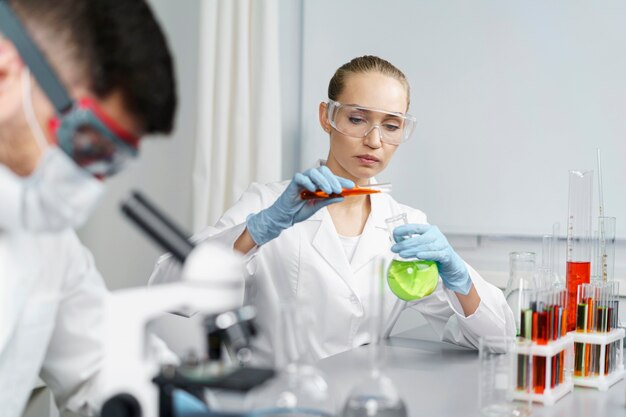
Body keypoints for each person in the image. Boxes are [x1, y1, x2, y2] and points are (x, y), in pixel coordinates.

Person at [150, 55, 515, 366]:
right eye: (357, 119)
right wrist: (257, 232)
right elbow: (167, 286)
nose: (374, 141)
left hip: (363, 400)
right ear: (327, 117)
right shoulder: (267, 204)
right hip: (280, 400)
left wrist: (458, 276)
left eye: (391, 126)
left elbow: (498, 339)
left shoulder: (405, 226)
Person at [0, 0, 176, 415]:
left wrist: (188, 399)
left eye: (107, 160)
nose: (87, 182)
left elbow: (99, 365)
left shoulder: (45, 238)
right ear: (5, 73)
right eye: (86, 145)